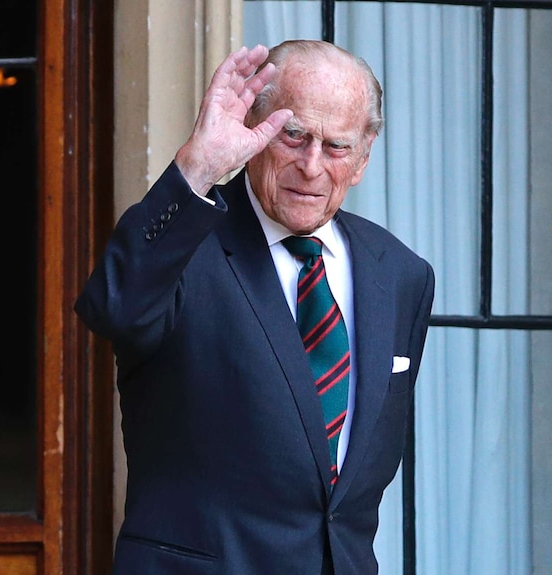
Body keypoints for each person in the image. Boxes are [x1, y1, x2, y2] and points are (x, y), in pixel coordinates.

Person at [75, 40, 435, 575]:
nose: (311, 166)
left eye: (336, 146)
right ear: (252, 128)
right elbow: (114, 308)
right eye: (292, 135)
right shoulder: (187, 244)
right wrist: (197, 168)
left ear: (363, 156)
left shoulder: (401, 274)